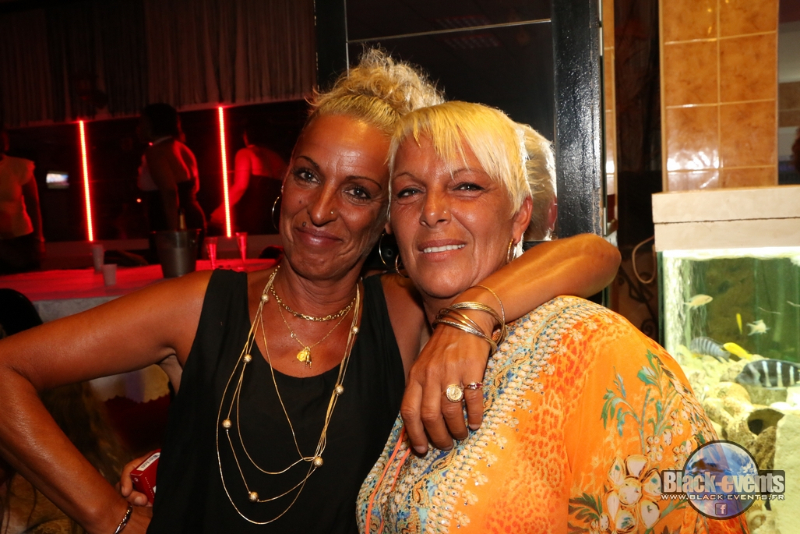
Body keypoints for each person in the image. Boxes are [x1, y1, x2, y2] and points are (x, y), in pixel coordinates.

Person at [0, 51, 618, 534]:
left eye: (358, 191)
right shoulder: (199, 307)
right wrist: (108, 515)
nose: (319, 210)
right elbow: (6, 372)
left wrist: (469, 319)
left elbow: (595, 254)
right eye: (307, 175)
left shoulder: (404, 312)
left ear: (388, 215)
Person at [358, 101, 744, 533]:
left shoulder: (592, 347)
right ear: (389, 221)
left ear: (520, 215)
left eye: (466, 186)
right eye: (409, 192)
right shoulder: (402, 333)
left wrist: (467, 318)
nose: (431, 211)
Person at [137, 104, 206, 238]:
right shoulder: (183, 148)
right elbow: (195, 187)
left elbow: (169, 191)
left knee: (174, 252)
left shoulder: (156, 152)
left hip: (170, 220)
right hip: (192, 214)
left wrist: (174, 232)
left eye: (141, 122)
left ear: (152, 124)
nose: (138, 128)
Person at [210, 122, 287, 234]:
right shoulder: (276, 157)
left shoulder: (245, 153)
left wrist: (221, 211)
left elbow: (240, 186)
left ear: (245, 136)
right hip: (276, 215)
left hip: (255, 216)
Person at [0, 129, 44, 274]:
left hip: (20, 238)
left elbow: (33, 204)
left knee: (27, 280)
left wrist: (38, 239)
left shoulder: (19, 166)